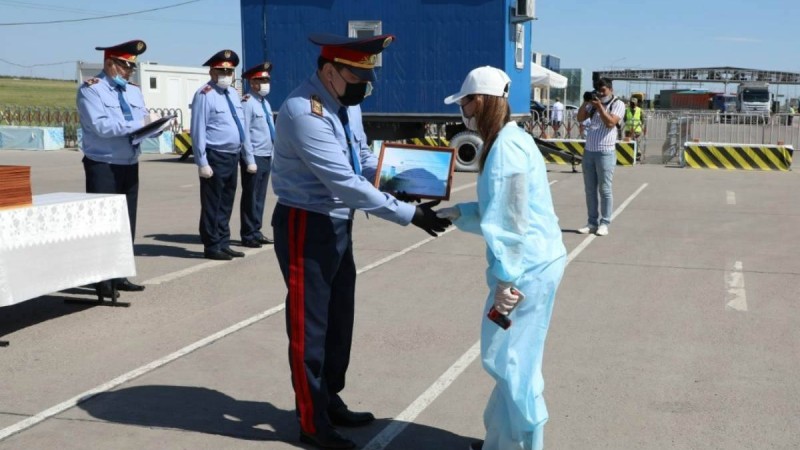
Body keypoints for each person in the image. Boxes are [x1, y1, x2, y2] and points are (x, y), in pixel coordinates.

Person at [270, 33, 451, 449]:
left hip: (336, 222)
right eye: (357, 76)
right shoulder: (304, 112)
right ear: (329, 71)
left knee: (338, 320)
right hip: (306, 223)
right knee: (309, 326)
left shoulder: (344, 103)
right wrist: (409, 213)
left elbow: (362, 159)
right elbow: (344, 181)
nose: (364, 86)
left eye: (368, 77)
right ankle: (312, 422)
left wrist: (403, 179)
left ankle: (329, 398)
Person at [437, 66, 567, 450]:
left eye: (465, 102)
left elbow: (510, 223)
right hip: (534, 263)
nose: (463, 110)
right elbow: (501, 208)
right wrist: (459, 213)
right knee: (511, 358)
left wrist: (507, 282)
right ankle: (501, 440)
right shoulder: (511, 139)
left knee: (511, 362)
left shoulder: (505, 148)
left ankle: (524, 444)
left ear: (480, 101)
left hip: (525, 271)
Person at [77, 39, 159, 294]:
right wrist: (138, 125)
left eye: (131, 68)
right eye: (124, 66)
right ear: (109, 63)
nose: (128, 72)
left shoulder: (133, 91)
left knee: (126, 222)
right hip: (103, 163)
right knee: (104, 224)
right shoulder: (91, 90)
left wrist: (154, 127)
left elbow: (142, 119)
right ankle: (102, 281)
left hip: (129, 162)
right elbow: (100, 126)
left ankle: (120, 273)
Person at [190, 50, 256, 261]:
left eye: (230, 71)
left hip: (232, 154)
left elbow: (240, 125)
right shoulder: (205, 94)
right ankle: (212, 244)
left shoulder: (232, 94)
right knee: (212, 202)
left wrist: (247, 155)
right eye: (222, 71)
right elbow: (198, 128)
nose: (226, 74)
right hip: (215, 155)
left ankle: (224, 241)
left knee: (226, 201)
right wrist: (202, 160)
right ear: (212, 71)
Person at [575, 77, 625, 236]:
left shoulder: (618, 104)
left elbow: (610, 123)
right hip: (589, 151)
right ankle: (591, 222)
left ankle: (605, 222)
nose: (601, 94)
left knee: (605, 189)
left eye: (604, 90)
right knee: (590, 190)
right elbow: (580, 118)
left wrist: (601, 107)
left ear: (611, 89)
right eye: (599, 91)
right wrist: (586, 102)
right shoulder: (593, 104)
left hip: (605, 152)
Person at [239, 62, 276, 248]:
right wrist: (249, 159)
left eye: (267, 79)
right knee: (250, 197)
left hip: (266, 154)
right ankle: (248, 234)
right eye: (261, 80)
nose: (265, 83)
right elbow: (244, 133)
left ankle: (256, 230)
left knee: (260, 197)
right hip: (254, 156)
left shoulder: (264, 103)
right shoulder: (247, 102)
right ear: (252, 82)